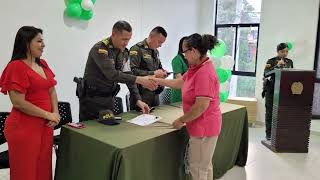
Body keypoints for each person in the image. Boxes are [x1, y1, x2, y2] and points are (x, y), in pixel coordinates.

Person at [151, 33, 221, 180]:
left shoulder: (204, 72)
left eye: (185, 52)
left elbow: (201, 106)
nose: (184, 56)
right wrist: (156, 80)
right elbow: (178, 83)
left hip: (204, 127)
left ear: (194, 51)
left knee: (198, 167)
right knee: (204, 166)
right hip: (200, 125)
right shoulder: (196, 68)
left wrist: (181, 120)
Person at [0, 26, 60, 180]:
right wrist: (48, 114)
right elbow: (18, 102)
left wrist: (55, 113)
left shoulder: (43, 64)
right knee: (25, 171)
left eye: (43, 41)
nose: (43, 45)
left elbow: (51, 90)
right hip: (24, 128)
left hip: (45, 126)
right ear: (27, 43)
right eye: (39, 41)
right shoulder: (16, 66)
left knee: (43, 167)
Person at [79, 20, 157, 121]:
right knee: (90, 132)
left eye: (128, 39)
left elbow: (128, 74)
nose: (126, 43)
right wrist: (140, 79)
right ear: (114, 34)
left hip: (109, 98)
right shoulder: (100, 49)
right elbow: (112, 75)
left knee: (108, 131)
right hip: (92, 100)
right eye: (124, 39)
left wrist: (138, 99)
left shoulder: (124, 52)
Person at [129, 26, 168, 110]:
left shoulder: (155, 51)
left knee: (157, 120)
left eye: (162, 43)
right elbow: (132, 71)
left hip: (155, 93)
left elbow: (159, 68)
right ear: (151, 36)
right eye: (159, 42)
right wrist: (153, 73)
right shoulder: (136, 49)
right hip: (141, 95)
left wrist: (163, 72)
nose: (160, 45)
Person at [262, 43, 294, 140]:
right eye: (282, 51)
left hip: (284, 91)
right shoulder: (271, 61)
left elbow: (292, 74)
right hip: (271, 90)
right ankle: (269, 134)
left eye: (287, 51)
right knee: (270, 113)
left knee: (282, 113)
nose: (285, 53)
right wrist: (277, 65)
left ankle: (280, 133)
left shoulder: (290, 62)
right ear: (278, 51)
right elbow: (266, 73)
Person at [171, 36, 189, 103]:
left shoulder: (191, 59)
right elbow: (179, 79)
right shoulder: (177, 60)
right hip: (179, 94)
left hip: (189, 93)